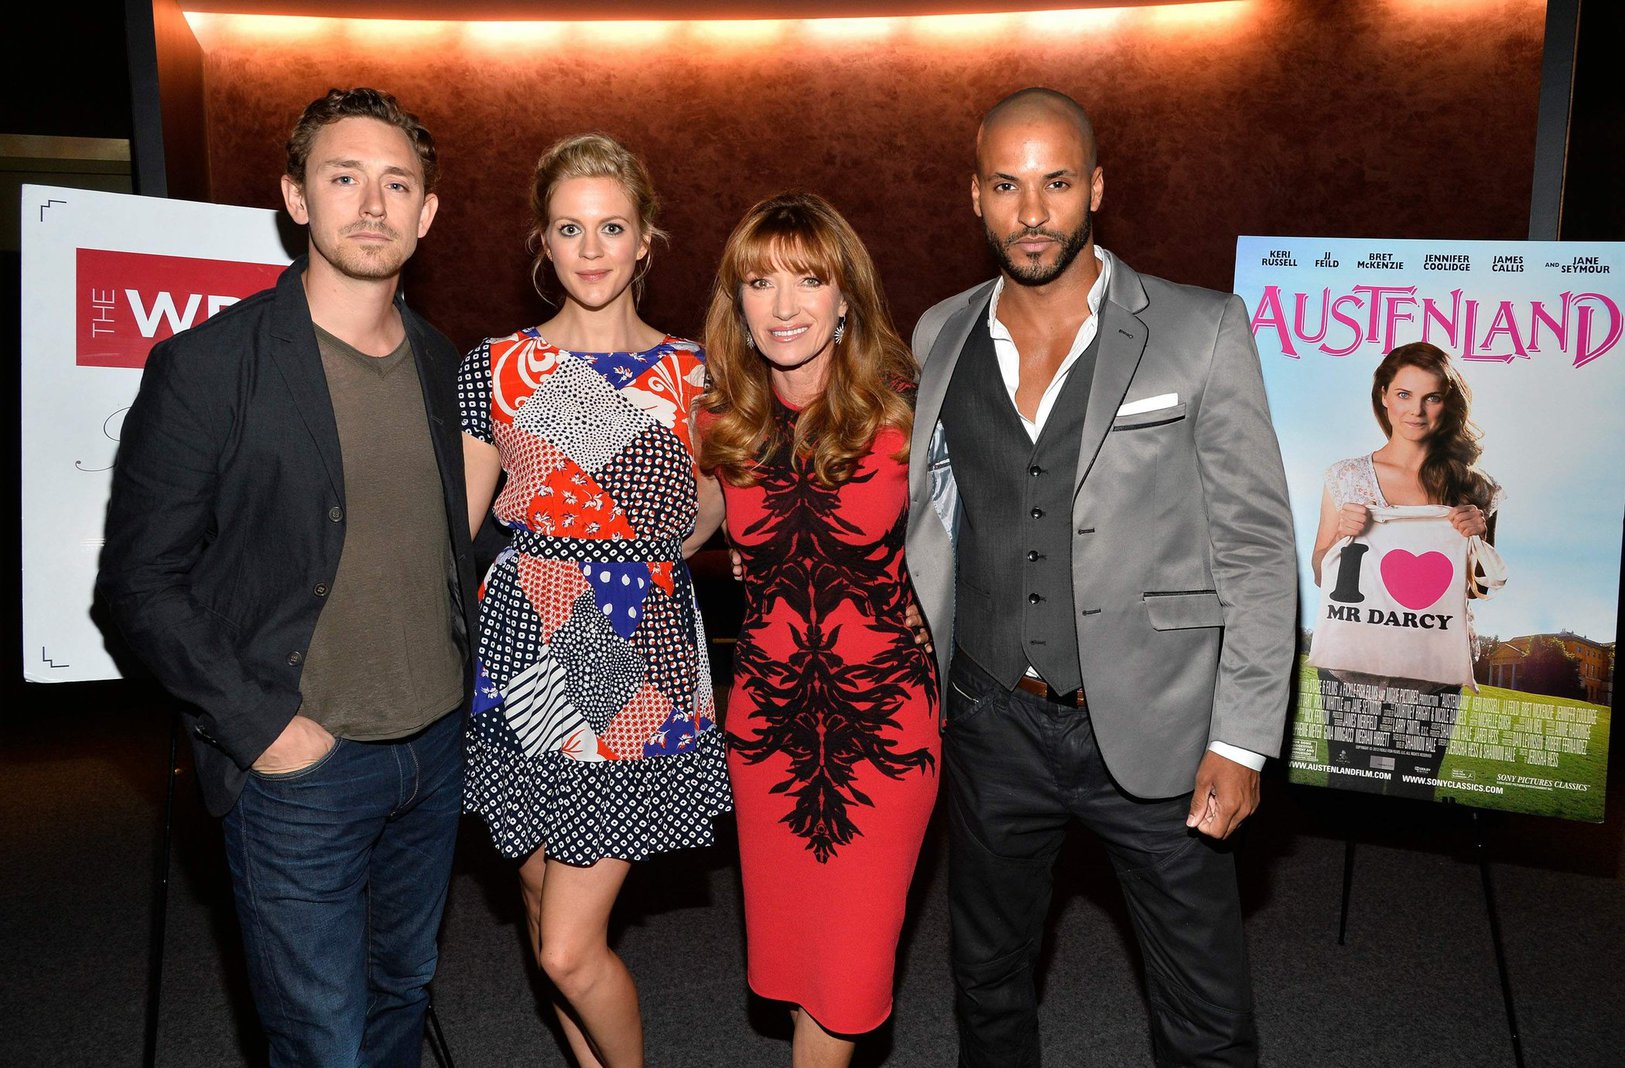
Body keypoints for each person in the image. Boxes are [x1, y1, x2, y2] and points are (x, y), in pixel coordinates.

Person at [903, 88, 1298, 1066]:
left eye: (1054, 182)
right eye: (1006, 185)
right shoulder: (937, 336)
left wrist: (1242, 741)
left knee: (1202, 1014)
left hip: (1160, 723)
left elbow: (1255, 543)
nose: (1030, 211)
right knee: (987, 985)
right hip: (992, 718)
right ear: (974, 197)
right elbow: (932, 517)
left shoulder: (1199, 328)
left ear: (1095, 189)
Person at [97, 88, 475, 1065]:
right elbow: (139, 584)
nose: (372, 203)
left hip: (432, 754)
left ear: (426, 213)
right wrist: (263, 727)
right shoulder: (211, 366)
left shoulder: (445, 366)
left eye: (398, 184)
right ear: (295, 198)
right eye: (343, 177)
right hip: (300, 769)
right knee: (320, 1041)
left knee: (400, 995)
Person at [458, 132, 731, 1068]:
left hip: (628, 663)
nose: (590, 248)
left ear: (646, 237)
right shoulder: (495, 367)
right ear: (541, 240)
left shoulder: (700, 373)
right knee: (538, 909)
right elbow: (454, 533)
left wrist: (626, 554)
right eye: (568, 228)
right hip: (520, 647)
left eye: (610, 226)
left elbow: (704, 518)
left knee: (569, 950)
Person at [699, 192, 939, 1067]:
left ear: (847, 298)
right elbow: (657, 535)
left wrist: (932, 601)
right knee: (803, 975)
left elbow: (987, 540)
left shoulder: (908, 408)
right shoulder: (717, 421)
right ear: (738, 302)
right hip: (765, 731)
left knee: (847, 980)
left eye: (809, 279)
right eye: (760, 283)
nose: (786, 305)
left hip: (884, 730)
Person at [1310, 341, 1500, 797]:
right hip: (1351, 665)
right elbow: (1321, 572)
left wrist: (1478, 535)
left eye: (1431, 397)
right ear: (1383, 396)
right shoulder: (1346, 476)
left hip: (1430, 667)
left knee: (1416, 790)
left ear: (1447, 404)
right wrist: (1340, 539)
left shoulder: (1471, 486)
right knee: (1346, 784)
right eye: (1404, 395)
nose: (1416, 410)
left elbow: (1478, 590)